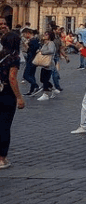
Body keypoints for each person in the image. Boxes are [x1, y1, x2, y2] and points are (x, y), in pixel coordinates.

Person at [0, 31, 26, 170]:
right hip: (5, 93)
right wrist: (19, 97)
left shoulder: (1, 54)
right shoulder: (13, 58)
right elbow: (12, 78)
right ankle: (2, 158)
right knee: (4, 125)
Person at [35, 29, 58, 101]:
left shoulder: (51, 43)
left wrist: (42, 52)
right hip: (45, 64)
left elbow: (51, 51)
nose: (44, 36)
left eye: (46, 34)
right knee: (43, 79)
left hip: (49, 63)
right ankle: (53, 89)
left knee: (45, 79)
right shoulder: (46, 43)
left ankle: (46, 94)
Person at [21, 29, 40, 97]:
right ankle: (31, 90)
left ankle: (36, 86)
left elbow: (31, 50)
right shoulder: (35, 40)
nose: (24, 36)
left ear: (28, 33)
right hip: (33, 60)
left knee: (26, 75)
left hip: (31, 60)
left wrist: (27, 46)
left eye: (24, 34)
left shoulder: (33, 41)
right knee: (32, 75)